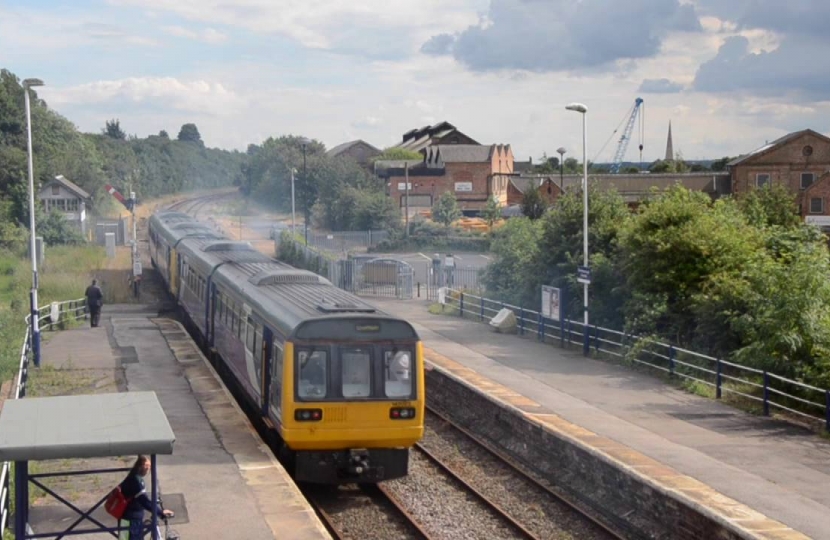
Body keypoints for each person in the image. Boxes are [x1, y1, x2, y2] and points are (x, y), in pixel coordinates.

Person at [118, 455, 174, 540]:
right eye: (147, 467)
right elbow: (144, 501)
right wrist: (160, 512)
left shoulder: (134, 478)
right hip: (130, 520)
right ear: (140, 466)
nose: (148, 470)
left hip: (133, 519)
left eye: (149, 467)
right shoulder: (135, 481)